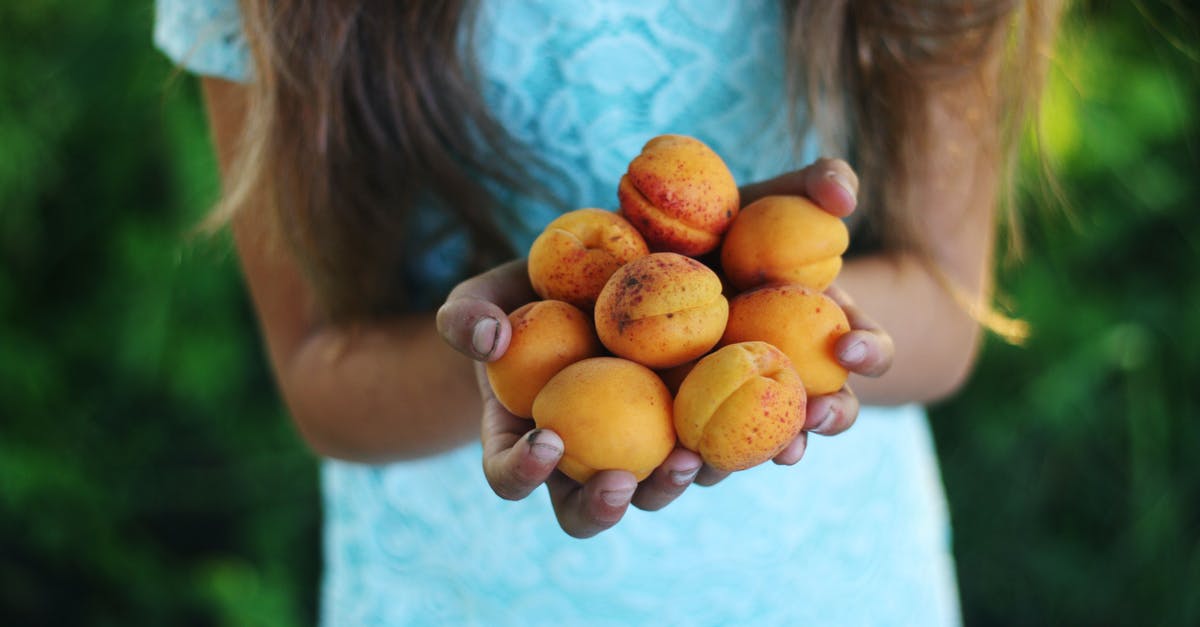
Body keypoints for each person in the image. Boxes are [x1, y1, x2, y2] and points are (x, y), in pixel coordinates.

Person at [156, 0, 1063, 624]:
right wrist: (508, 349)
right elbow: (321, 376)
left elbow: (946, 314)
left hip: (818, 579)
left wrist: (792, 318)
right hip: (463, 588)